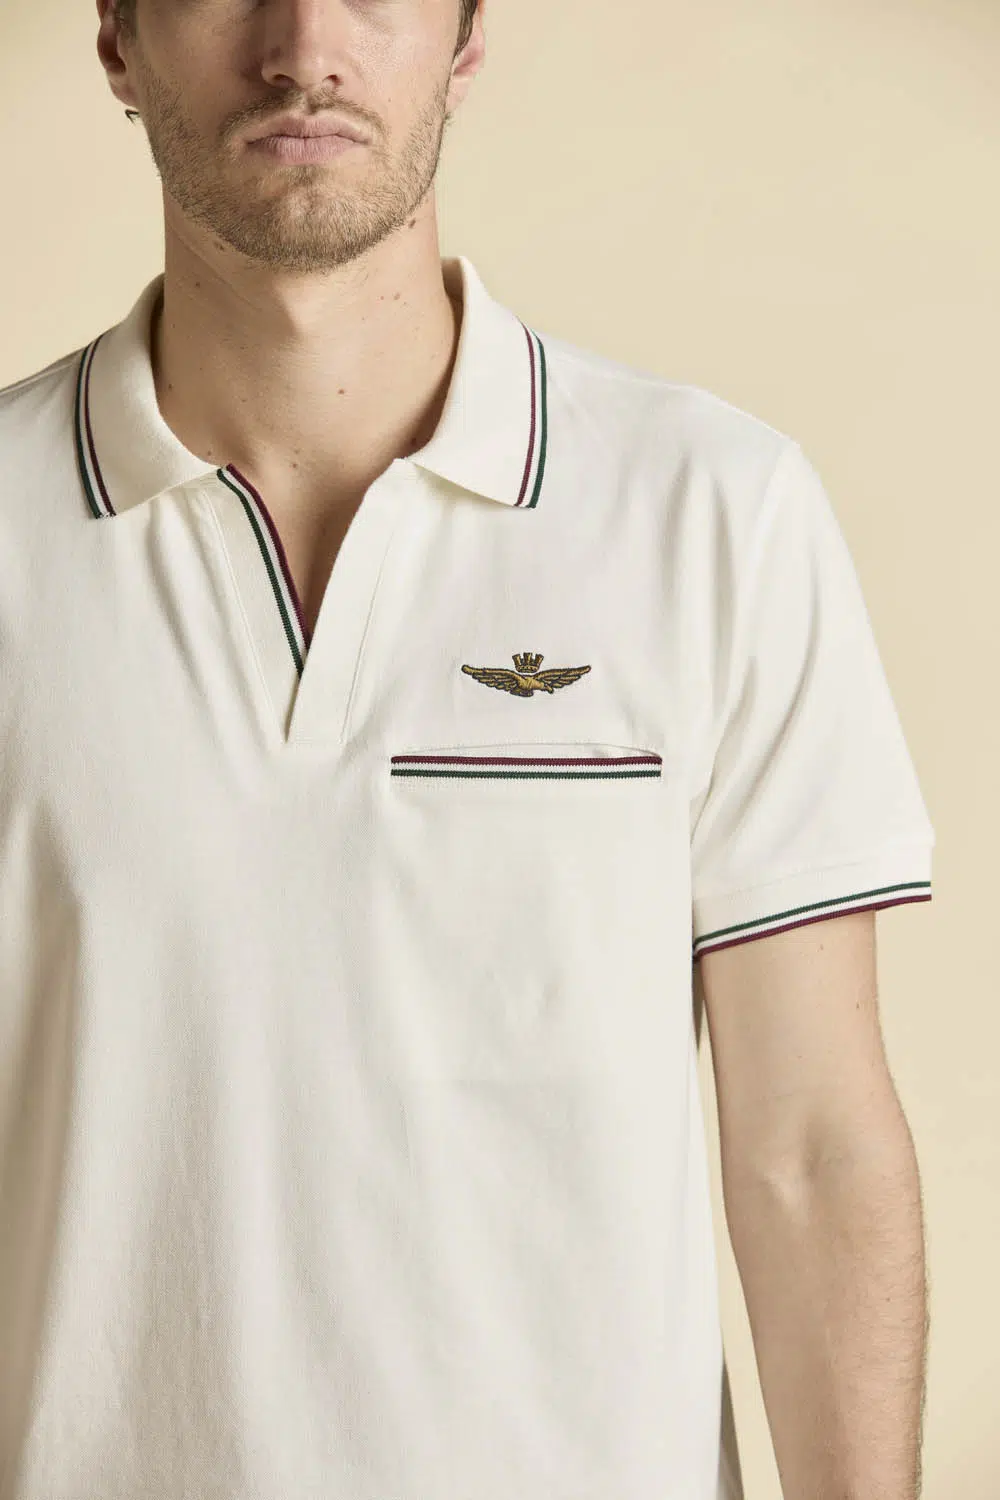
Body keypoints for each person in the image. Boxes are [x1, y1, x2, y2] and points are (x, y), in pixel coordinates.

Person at [0, 3, 935, 1497]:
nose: (303, 44)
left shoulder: (713, 513)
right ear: (115, 35)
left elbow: (811, 1149)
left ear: (469, 36)